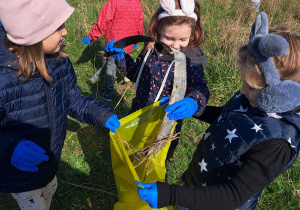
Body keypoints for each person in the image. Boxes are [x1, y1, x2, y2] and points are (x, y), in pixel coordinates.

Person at [136, 12, 300, 210]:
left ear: (283, 93)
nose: (242, 91)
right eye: (244, 83)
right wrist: (195, 109)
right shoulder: (254, 100)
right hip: (199, 188)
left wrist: (170, 195)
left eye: (251, 88)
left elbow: (233, 195)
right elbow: (229, 117)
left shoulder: (277, 144)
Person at [0, 0, 120, 209]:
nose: (65, 32)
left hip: (49, 158)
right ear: (32, 33)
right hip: (19, 171)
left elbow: (72, 98)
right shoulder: (3, 77)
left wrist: (101, 114)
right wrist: (9, 147)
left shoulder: (59, 60)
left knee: (49, 190)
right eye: (57, 27)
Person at [105, 0, 209, 159]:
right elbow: (135, 74)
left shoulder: (191, 61)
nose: (176, 45)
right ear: (159, 30)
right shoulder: (151, 50)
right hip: (139, 113)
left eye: (183, 39)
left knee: (155, 160)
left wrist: (193, 101)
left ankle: (154, 183)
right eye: (169, 38)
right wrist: (121, 58)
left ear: (193, 33)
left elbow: (199, 87)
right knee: (133, 151)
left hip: (165, 124)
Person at [80, 0, 144, 102]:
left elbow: (104, 20)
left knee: (111, 67)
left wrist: (92, 35)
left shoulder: (114, 2)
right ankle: (128, 76)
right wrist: (137, 39)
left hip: (114, 43)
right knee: (125, 60)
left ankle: (108, 94)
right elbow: (140, 22)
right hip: (129, 41)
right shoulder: (137, 3)